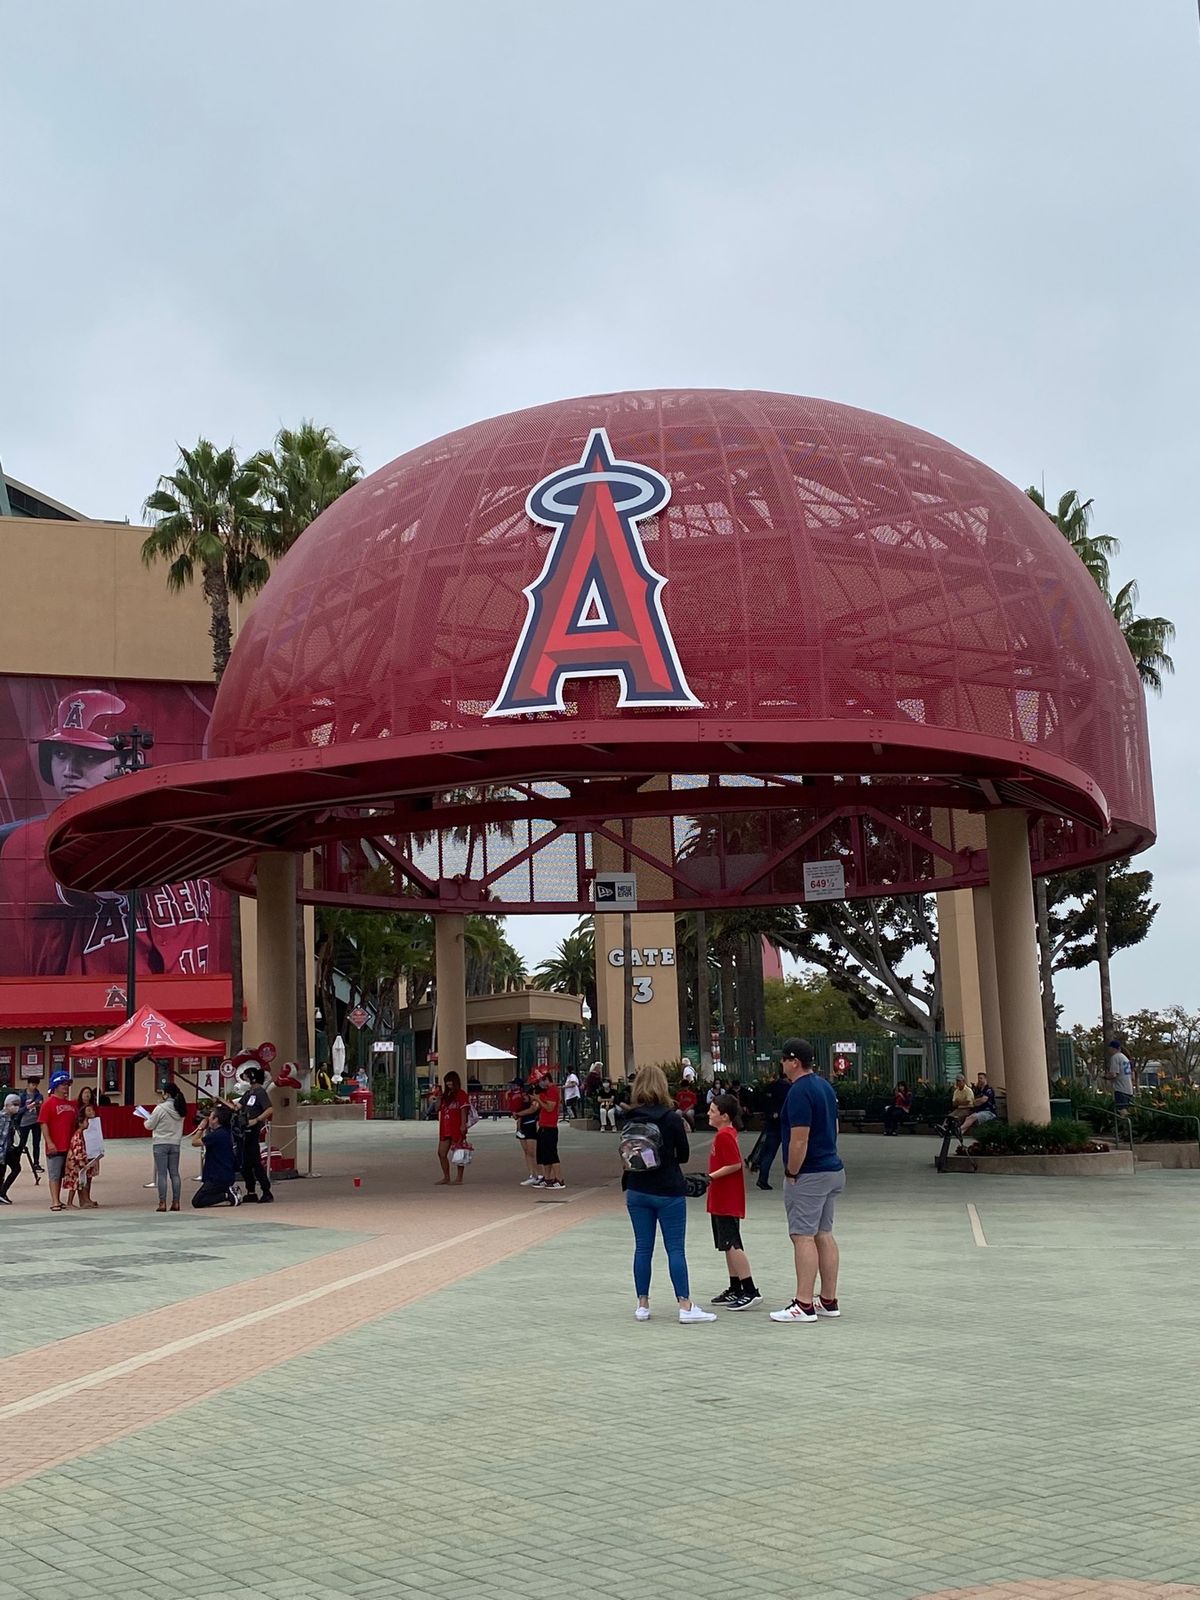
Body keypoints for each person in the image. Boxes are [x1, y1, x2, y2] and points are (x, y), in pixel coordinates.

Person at [0, 690, 219, 979]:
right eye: (61, 754)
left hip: (193, 1001)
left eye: (90, 755)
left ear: (132, 761)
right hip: (84, 1004)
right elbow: (117, 873)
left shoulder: (187, 831)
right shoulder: (28, 843)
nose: (70, 771)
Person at [618, 1063, 715, 1323]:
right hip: (668, 1189)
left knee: (642, 1248)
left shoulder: (630, 1117)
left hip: (636, 1187)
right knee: (675, 1249)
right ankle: (684, 1305)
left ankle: (642, 1304)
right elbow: (683, 1156)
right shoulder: (671, 1118)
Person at [769, 1039, 845, 1324]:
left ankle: (803, 1304)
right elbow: (834, 1127)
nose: (782, 1064)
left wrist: (792, 1171)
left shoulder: (799, 1091)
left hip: (809, 1173)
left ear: (794, 1062)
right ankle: (828, 1300)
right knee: (823, 1233)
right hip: (832, 1168)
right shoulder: (825, 1086)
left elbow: (799, 1138)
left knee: (802, 1236)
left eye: (784, 1059)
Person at [707, 1093, 761, 1309]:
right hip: (721, 1197)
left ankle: (750, 1290)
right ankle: (735, 1286)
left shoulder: (725, 1136)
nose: (708, 1114)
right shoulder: (725, 1133)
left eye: (713, 1111)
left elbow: (735, 1164)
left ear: (725, 1116)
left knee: (732, 1244)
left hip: (726, 1198)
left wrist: (709, 1177)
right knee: (727, 1244)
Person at [38, 1071, 80, 1212]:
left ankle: (61, 1199)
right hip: (55, 1145)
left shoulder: (71, 1104)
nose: (66, 1087)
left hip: (70, 1145)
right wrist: (49, 1142)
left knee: (65, 1174)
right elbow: (43, 1123)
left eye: (67, 1084)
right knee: (54, 1174)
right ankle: (55, 1201)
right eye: (63, 1084)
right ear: (55, 1086)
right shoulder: (48, 1103)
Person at [145, 1081, 187, 1211]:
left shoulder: (160, 1108)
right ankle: (176, 1202)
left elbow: (149, 1125)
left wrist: (146, 1119)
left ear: (167, 1094)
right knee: (175, 1173)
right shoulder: (180, 1108)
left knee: (162, 1174)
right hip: (175, 1143)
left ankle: (162, 1202)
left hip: (160, 1143)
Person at [190, 1104, 242, 1207]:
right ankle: (227, 1191)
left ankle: (228, 1195)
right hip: (225, 1174)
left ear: (216, 1119)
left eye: (210, 1116)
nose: (208, 1119)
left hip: (218, 1176)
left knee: (197, 1201)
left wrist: (201, 1127)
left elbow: (194, 1142)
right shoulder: (226, 1132)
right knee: (205, 1194)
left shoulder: (217, 1135)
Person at [236, 1067, 274, 1203]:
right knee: (245, 1164)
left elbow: (269, 1109)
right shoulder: (248, 1093)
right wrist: (221, 1102)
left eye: (246, 1076)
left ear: (252, 1078)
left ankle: (266, 1191)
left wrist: (257, 1120)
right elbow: (237, 1106)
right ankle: (251, 1191)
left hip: (253, 1131)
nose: (244, 1079)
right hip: (244, 1131)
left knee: (255, 1163)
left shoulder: (260, 1092)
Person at [755, 1069, 791, 1191]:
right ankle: (791, 1176)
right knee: (789, 1152)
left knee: (769, 1153)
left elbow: (762, 1102)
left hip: (771, 1123)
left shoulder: (770, 1087)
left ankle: (762, 1179)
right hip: (784, 1124)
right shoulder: (789, 1088)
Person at [529, 1068, 565, 1189]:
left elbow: (550, 1107)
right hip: (543, 1126)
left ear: (546, 1079)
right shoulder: (546, 1091)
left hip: (550, 1127)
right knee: (544, 1155)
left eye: (540, 1081)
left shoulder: (552, 1090)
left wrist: (538, 1099)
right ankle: (547, 1177)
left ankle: (559, 1179)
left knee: (552, 1154)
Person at [436, 1069, 471, 1186]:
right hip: (445, 1127)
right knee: (441, 1153)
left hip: (457, 1126)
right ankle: (446, 1177)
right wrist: (438, 1097)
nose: (448, 1084)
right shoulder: (445, 1096)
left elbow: (463, 1110)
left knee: (459, 1152)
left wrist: (463, 1124)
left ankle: (459, 1178)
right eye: (447, 1082)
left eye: (450, 1082)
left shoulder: (461, 1094)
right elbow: (437, 1108)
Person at [508, 1077, 539, 1185]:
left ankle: (539, 1174)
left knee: (532, 1151)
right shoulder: (513, 1096)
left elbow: (533, 1109)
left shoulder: (527, 1096)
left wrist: (519, 1113)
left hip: (530, 1123)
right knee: (526, 1151)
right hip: (521, 1125)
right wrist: (515, 1113)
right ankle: (532, 1174)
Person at [957, 1072, 997, 1147]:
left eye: (981, 1078)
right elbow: (974, 1101)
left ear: (985, 1079)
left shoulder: (989, 1090)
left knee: (972, 1117)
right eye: (978, 1078)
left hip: (989, 1112)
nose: (979, 1080)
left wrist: (977, 1101)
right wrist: (977, 1101)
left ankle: (958, 1130)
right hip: (979, 1111)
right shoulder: (979, 1090)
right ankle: (960, 1133)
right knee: (968, 1118)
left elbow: (983, 1100)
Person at [0, 1092, 23, 1203]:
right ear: (7, 1104)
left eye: (18, 1104)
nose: (16, 1107)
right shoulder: (2, 1118)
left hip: (8, 1150)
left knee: (15, 1168)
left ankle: (2, 1192)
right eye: (14, 1104)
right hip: (2, 1151)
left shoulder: (12, 1118)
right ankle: (2, 1193)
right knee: (3, 1171)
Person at [1108, 1039, 1135, 1112]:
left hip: (1120, 1089)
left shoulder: (1115, 1057)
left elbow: (1114, 1074)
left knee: (1122, 1110)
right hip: (1129, 1089)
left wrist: (1105, 1076)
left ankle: (1123, 1119)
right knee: (1127, 1109)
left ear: (1112, 1048)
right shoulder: (1124, 1058)